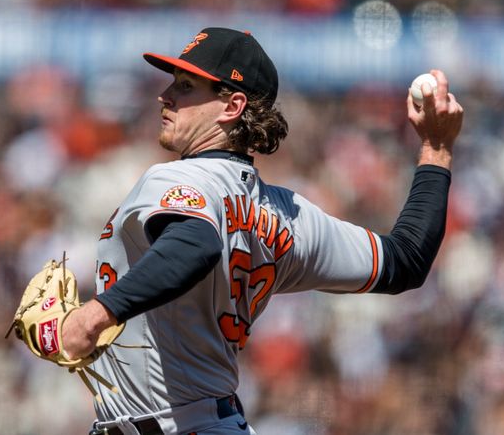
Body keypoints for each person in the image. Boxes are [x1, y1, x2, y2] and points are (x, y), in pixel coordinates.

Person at [60, 27, 463, 435]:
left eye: (185, 86)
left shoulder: (178, 179)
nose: (165, 95)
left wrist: (97, 313)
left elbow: (195, 245)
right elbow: (405, 261)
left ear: (232, 105)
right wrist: (436, 149)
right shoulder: (288, 214)